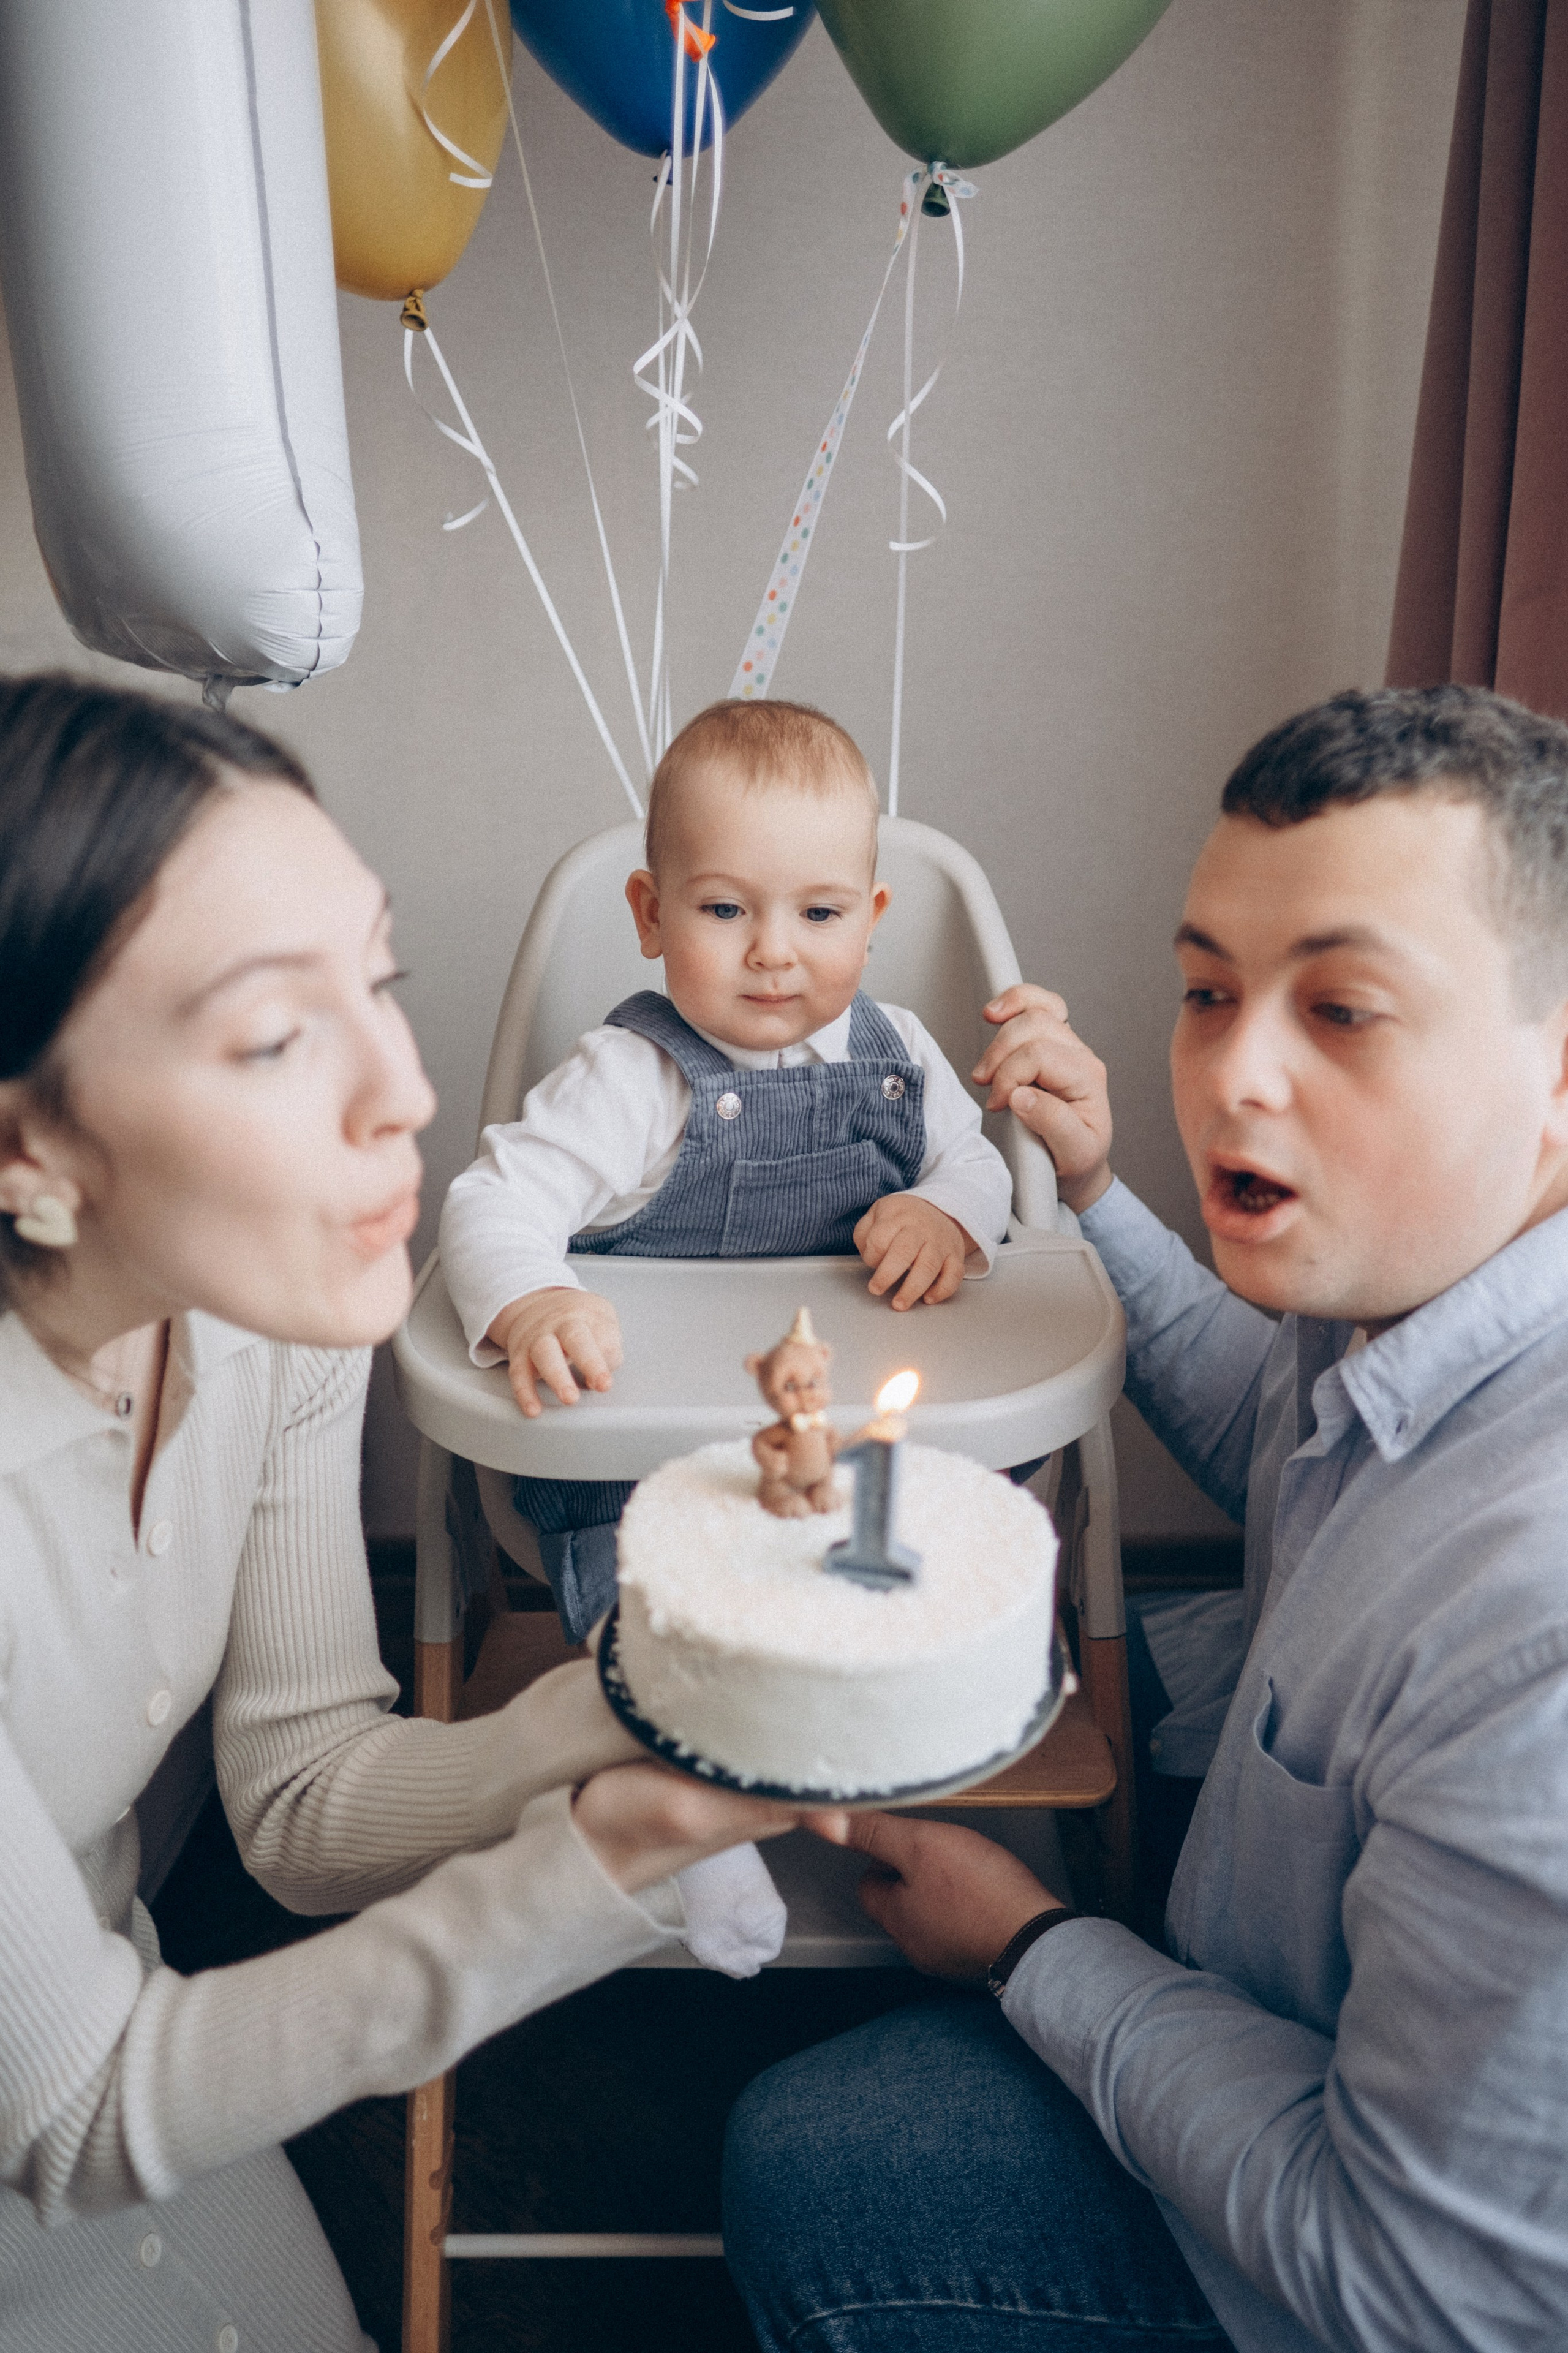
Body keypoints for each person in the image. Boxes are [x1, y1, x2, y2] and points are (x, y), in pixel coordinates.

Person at [723, 684, 1568, 2353]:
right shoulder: (1407, 1275)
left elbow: (1425, 2292)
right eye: (1207, 990)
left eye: (1343, 1010)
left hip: (1359, 2286)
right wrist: (1095, 1190)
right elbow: (1282, 1445)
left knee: (819, 2159)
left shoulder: (1530, 1636)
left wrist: (1030, 1947)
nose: (1233, 1075)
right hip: (1262, 1982)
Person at [0, 674, 827, 2353]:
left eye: (376, 982)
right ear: (31, 1151)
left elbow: (304, 1800)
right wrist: (599, 1860)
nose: (405, 1090)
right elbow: (77, 2108)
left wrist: (632, 1699)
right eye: (275, 1036)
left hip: (141, 2045)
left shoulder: (267, 1317)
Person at [440, 697, 1011, 1642]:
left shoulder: (901, 1054)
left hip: (850, 1446)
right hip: (645, 1467)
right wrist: (534, 1301)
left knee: (904, 1619)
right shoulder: (630, 1078)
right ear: (651, 913)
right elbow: (493, 1201)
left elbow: (977, 1163)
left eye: (820, 912)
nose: (772, 950)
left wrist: (947, 1213)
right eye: (724, 908)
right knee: (684, 1658)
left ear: (870, 919)